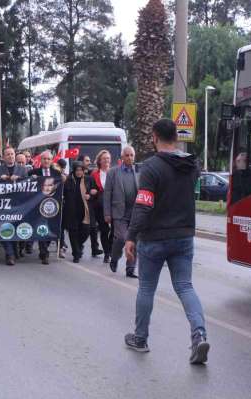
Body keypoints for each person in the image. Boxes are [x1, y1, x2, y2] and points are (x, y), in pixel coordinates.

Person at [124, 118, 209, 365]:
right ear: (176, 136)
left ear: (154, 137)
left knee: (146, 288)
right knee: (185, 286)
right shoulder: (192, 164)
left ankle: (140, 339)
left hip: (153, 238)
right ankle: (199, 334)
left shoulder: (151, 167)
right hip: (183, 236)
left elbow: (143, 205)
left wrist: (130, 236)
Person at [103, 146, 138, 278]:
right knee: (122, 238)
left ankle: (130, 268)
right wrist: (107, 213)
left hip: (135, 213)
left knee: (134, 241)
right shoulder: (113, 172)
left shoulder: (138, 172)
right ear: (122, 157)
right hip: (119, 213)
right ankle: (115, 258)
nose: (129, 158)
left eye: (132, 155)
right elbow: (107, 194)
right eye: (127, 155)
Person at [0, 147, 27, 266]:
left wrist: (19, 179)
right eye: (7, 154)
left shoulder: (22, 169)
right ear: (3, 157)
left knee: (16, 228)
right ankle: (10, 255)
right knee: (5, 228)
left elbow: (28, 184)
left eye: (12, 154)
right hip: (3, 205)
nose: (10, 156)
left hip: (18, 205)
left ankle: (15, 249)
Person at [31, 151, 62, 264]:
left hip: (52, 205)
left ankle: (46, 246)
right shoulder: (34, 172)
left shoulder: (57, 173)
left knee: (51, 227)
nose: (46, 161)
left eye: (49, 159)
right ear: (41, 160)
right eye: (44, 159)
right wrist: (31, 178)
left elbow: (60, 187)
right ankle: (44, 253)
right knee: (41, 227)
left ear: (51, 160)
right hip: (37, 205)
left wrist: (63, 179)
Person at [62, 162, 91, 263]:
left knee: (86, 230)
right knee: (73, 232)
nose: (79, 172)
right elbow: (63, 194)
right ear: (74, 171)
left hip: (85, 210)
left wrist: (91, 195)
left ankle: (78, 246)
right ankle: (76, 254)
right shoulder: (68, 180)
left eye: (81, 170)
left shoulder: (88, 179)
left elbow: (94, 190)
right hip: (71, 211)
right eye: (77, 170)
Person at [89, 150, 112, 263]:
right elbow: (91, 188)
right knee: (104, 229)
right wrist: (93, 191)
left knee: (115, 231)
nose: (107, 160)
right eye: (104, 158)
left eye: (108, 158)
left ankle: (111, 248)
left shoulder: (114, 172)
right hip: (100, 206)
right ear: (100, 161)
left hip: (114, 205)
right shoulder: (94, 174)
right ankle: (107, 253)